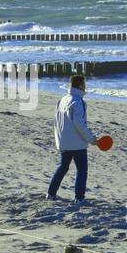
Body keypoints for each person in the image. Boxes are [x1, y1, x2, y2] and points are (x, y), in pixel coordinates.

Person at [48, 73, 101, 204]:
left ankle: (51, 193)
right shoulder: (78, 102)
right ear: (81, 85)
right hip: (77, 143)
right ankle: (79, 198)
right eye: (84, 84)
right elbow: (79, 123)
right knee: (82, 170)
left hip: (64, 141)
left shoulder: (63, 99)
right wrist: (91, 139)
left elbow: (57, 121)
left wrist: (59, 139)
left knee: (63, 167)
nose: (85, 87)